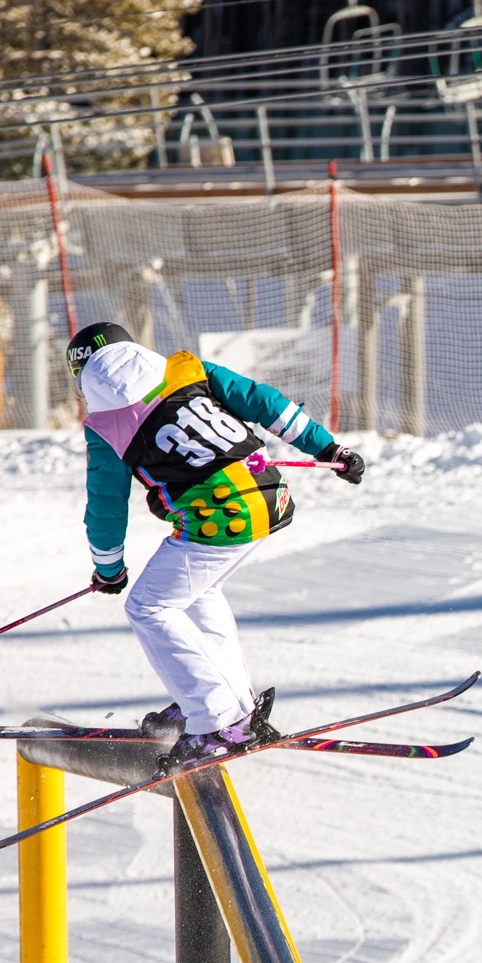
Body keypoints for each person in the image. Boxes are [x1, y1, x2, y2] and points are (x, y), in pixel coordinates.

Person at [68, 322, 366, 770]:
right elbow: (268, 404)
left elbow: (107, 506)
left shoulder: (105, 424)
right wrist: (328, 449)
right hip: (269, 496)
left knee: (148, 607)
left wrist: (109, 569)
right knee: (195, 594)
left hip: (220, 519)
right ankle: (231, 701)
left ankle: (215, 719)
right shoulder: (186, 369)